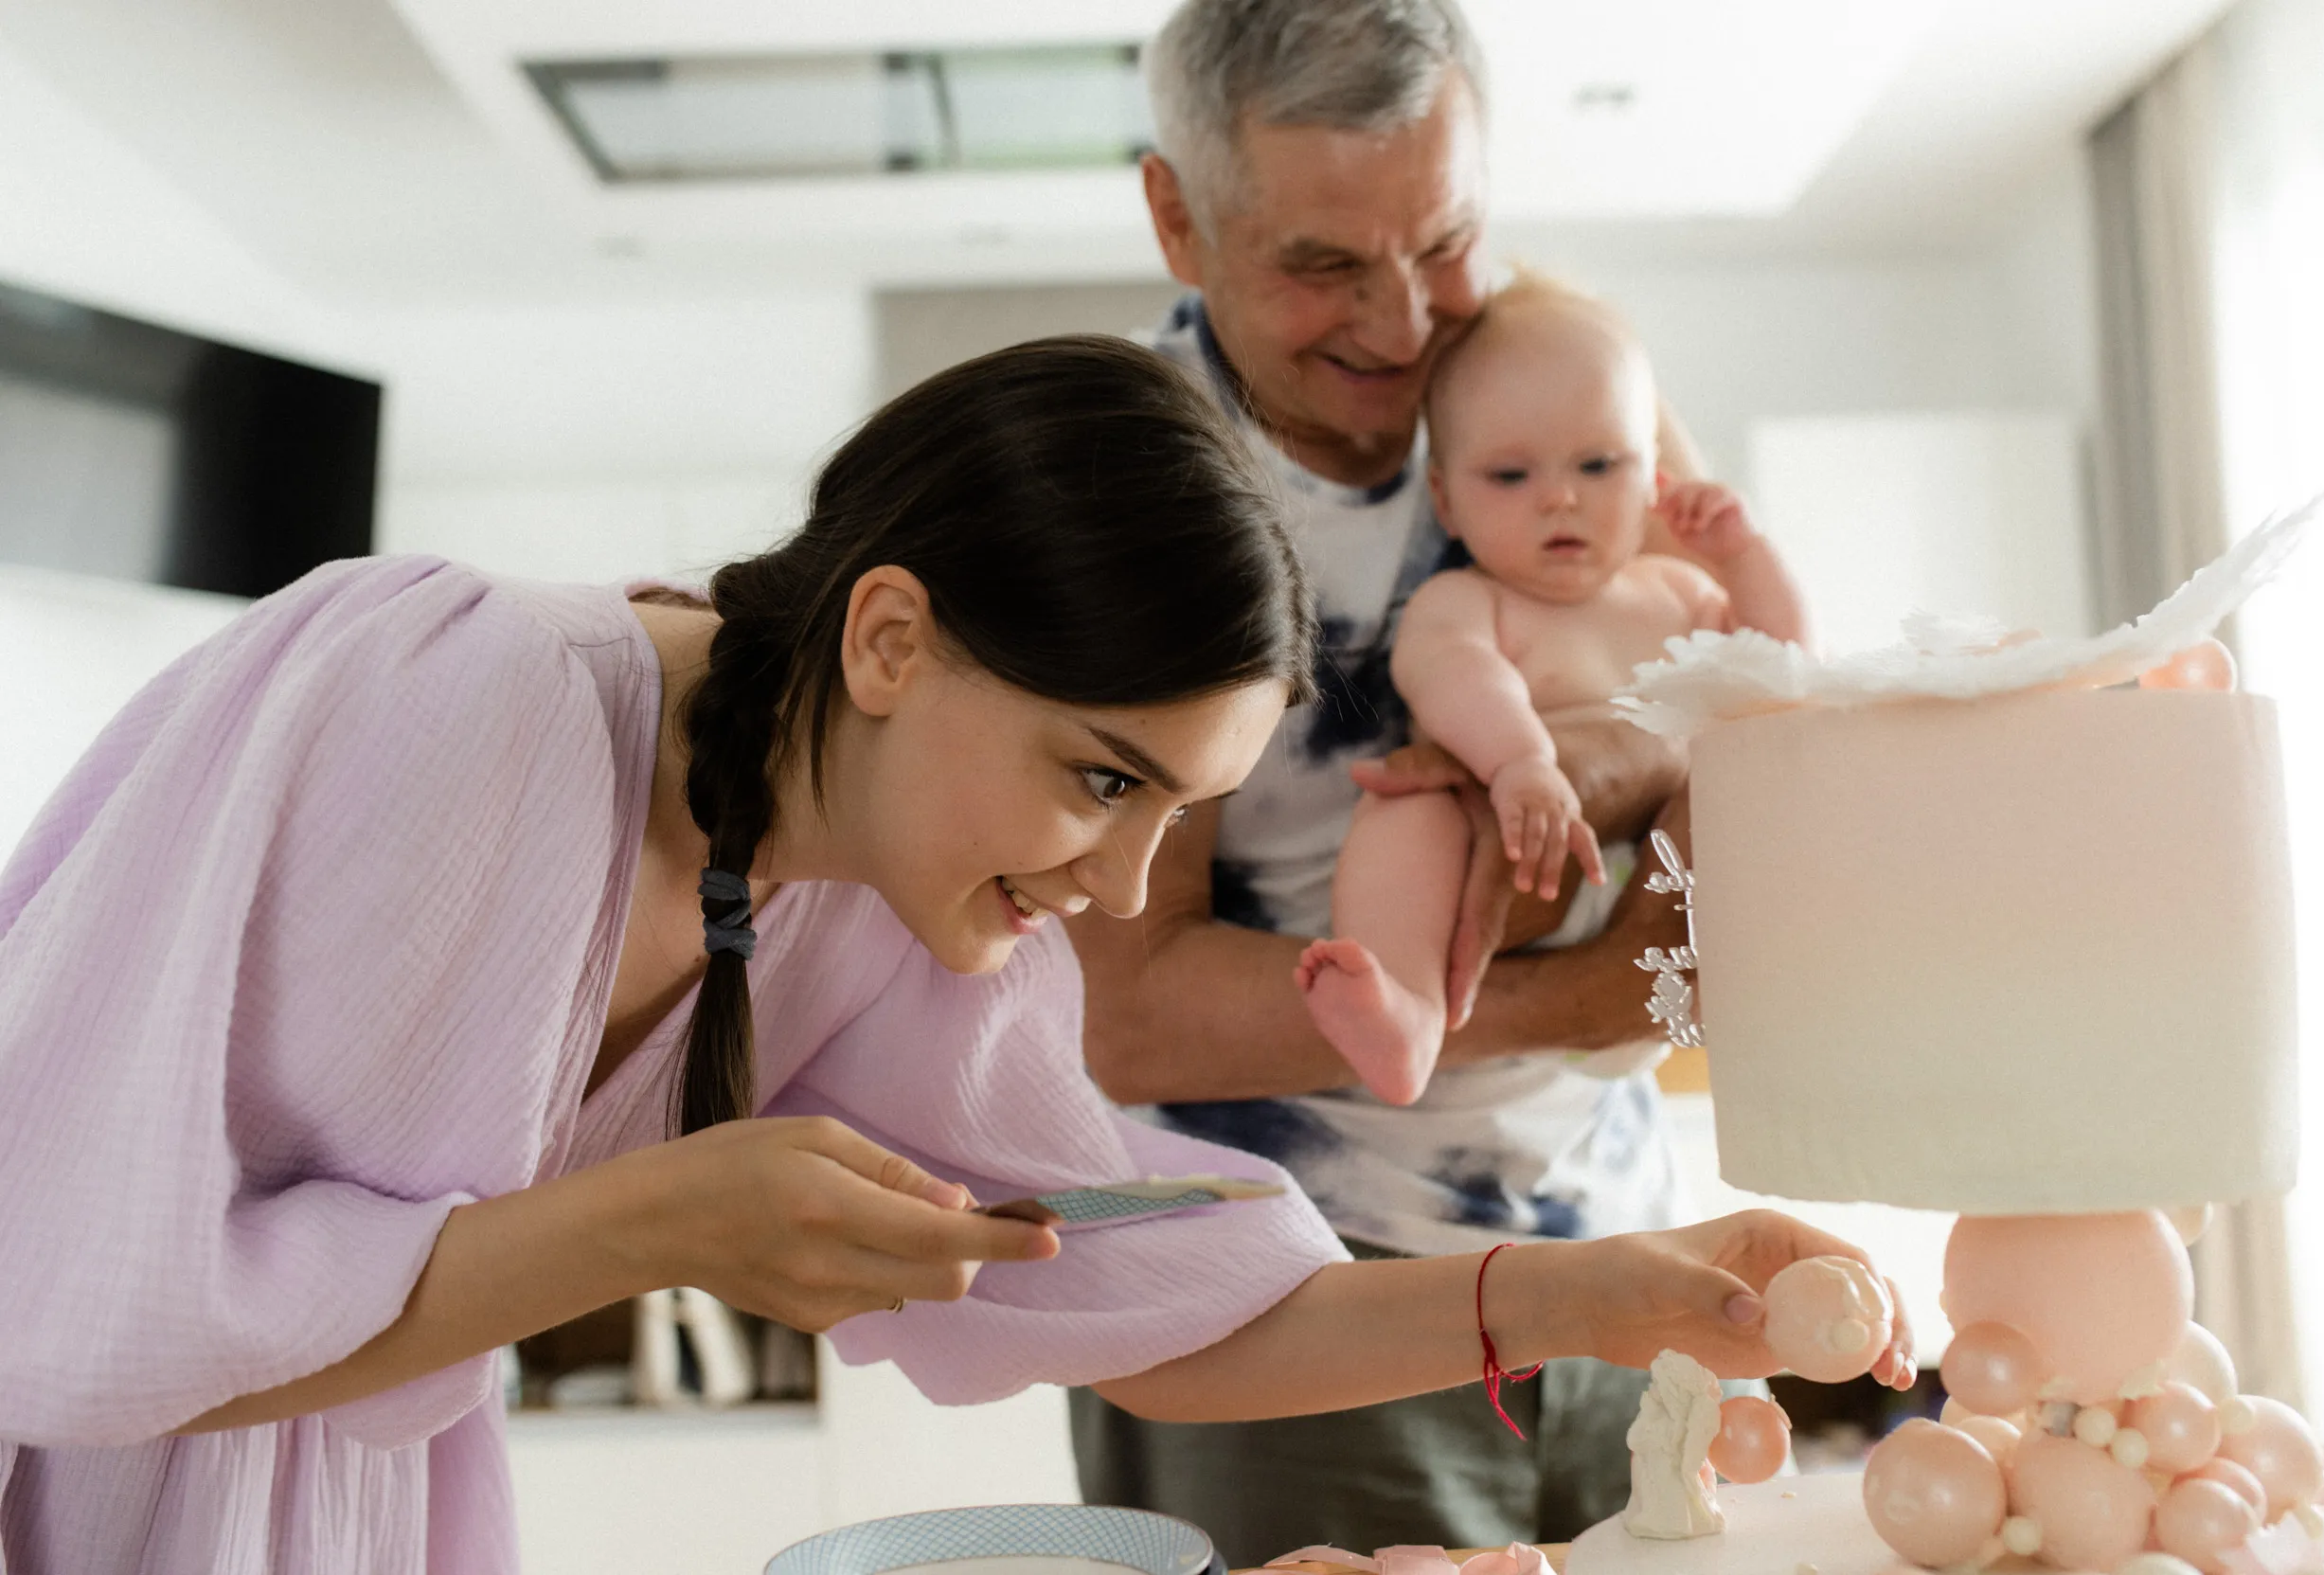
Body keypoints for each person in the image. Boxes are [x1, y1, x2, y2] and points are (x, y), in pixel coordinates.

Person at [0, 335, 1907, 1573]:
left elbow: (1165, 1303)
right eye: (1101, 778)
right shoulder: (466, 706)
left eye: (1175, 813)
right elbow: (88, 1313)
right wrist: (659, 1221)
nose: (1112, 879)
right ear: (892, 642)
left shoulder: (876, 904)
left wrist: (1616, 1289)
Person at [1064, 0, 1744, 1559]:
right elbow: (1130, 1007)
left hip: (1614, 1244)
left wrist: (1596, 755)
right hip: (1294, 1306)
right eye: (1321, 265)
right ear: (1178, 215)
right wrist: (1592, 1001)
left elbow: (1740, 692)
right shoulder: (1137, 495)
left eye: (1445, 240)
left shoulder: (1558, 377)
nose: (1405, 318)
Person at [1299, 276, 1809, 1104]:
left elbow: (1781, 669)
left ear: (1655, 480)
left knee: (1762, 794)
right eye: (1509, 475)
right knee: (1405, 811)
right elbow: (1452, 675)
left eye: (1599, 464)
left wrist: (1744, 556)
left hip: (1663, 897)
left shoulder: (1678, 593)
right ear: (1447, 501)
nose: (1560, 496)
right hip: (1517, 871)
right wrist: (1521, 760)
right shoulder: (1466, 601)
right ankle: (1412, 1010)